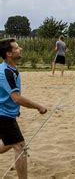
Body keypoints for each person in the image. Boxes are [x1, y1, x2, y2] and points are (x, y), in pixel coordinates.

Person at [0, 38, 48, 178]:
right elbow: (16, 98)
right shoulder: (6, 72)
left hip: (6, 114)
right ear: (9, 53)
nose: (20, 49)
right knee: (20, 147)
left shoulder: (10, 68)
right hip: (3, 115)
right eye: (16, 48)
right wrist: (38, 106)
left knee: (9, 143)